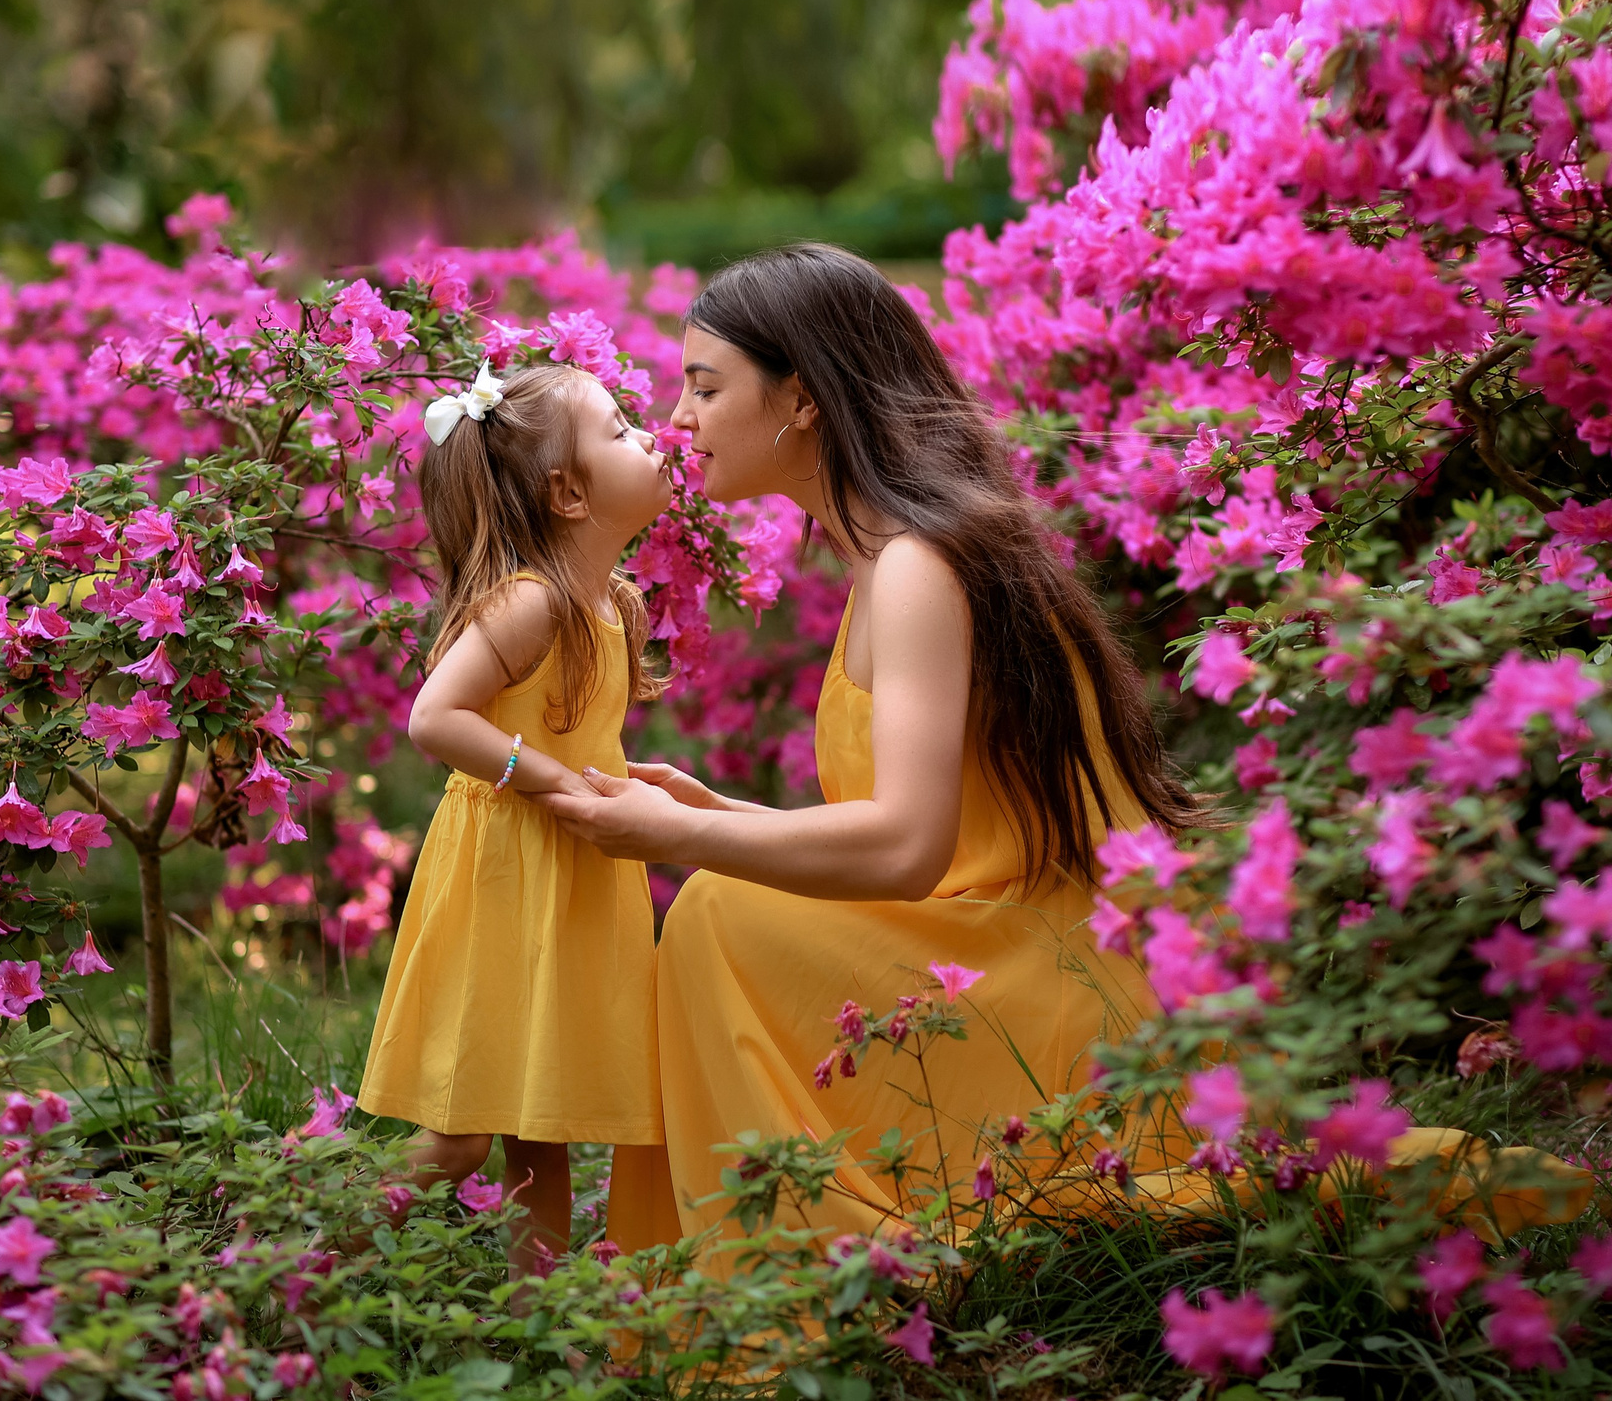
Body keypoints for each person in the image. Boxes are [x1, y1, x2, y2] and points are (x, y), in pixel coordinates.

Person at [539, 244, 1209, 1256]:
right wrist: (718, 816)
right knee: (722, 895)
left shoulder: (914, 567)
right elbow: (938, 845)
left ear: (801, 398)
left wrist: (682, 838)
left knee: (715, 911)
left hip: (1052, 998)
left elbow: (907, 852)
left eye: (705, 385)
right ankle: (762, 1260)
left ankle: (795, 1279)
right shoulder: (893, 559)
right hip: (988, 961)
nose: (677, 417)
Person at [357, 361, 675, 1274]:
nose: (651, 437)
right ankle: (296, 1258)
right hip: (506, 875)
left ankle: (545, 1334)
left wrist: (623, 780)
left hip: (569, 876)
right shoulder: (530, 600)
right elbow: (434, 718)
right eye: (620, 430)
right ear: (569, 493)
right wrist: (553, 782)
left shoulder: (609, 603)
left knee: (545, 1131)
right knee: (457, 1142)